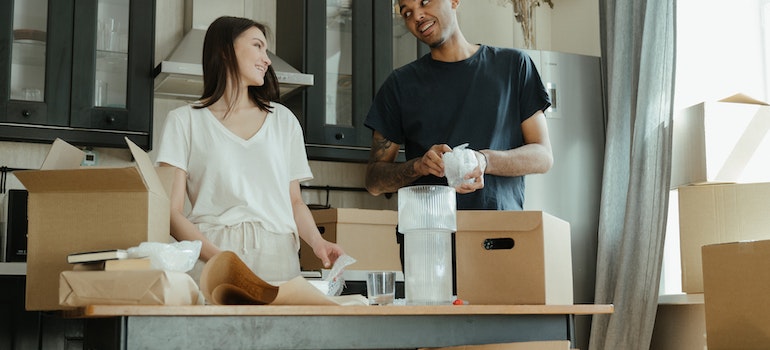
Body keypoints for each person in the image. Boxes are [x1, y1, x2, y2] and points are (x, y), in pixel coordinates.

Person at [155, 16, 344, 285]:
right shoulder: (184, 121)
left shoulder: (283, 120)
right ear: (224, 50)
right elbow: (171, 214)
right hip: (213, 257)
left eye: (266, 50)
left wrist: (317, 242)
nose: (266, 59)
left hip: (278, 259)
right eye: (257, 46)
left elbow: (294, 202)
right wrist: (220, 258)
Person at [364, 0, 553, 210]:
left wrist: (484, 160)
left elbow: (543, 156)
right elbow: (373, 181)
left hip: (501, 234)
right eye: (407, 13)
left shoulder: (514, 66)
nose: (417, 16)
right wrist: (418, 166)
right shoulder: (399, 85)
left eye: (424, 2)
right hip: (430, 234)